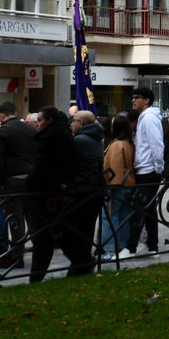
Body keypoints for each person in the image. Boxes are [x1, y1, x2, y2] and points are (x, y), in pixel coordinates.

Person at [26, 107, 78, 282]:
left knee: (43, 238)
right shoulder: (65, 137)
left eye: (40, 119)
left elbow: (41, 169)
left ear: (49, 121)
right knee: (57, 234)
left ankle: (36, 277)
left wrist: (30, 183)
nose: (38, 123)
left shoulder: (48, 140)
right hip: (58, 192)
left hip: (44, 194)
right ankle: (80, 262)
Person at [0, 100, 35, 268]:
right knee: (31, 216)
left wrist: (0, 181)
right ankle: (37, 248)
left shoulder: (3, 131)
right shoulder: (31, 129)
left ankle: (17, 254)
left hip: (13, 179)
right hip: (31, 178)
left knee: (15, 218)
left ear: (2, 115)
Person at [126, 87, 164, 256]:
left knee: (140, 209)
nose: (133, 100)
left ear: (146, 100)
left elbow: (156, 144)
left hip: (148, 170)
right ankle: (152, 245)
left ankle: (131, 247)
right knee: (148, 210)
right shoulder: (146, 117)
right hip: (147, 168)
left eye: (137, 97)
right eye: (133, 97)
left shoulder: (148, 118)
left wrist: (158, 168)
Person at [67, 110, 103, 275]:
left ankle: (82, 263)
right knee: (86, 230)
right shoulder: (97, 139)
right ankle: (82, 263)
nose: (71, 124)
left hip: (81, 189)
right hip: (93, 189)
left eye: (73, 121)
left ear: (81, 123)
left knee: (75, 229)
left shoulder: (80, 140)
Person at [100, 113, 135, 259]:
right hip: (128, 183)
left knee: (110, 217)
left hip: (117, 185)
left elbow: (113, 168)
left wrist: (111, 187)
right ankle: (121, 245)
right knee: (124, 216)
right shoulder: (129, 142)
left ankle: (109, 249)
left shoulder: (116, 145)